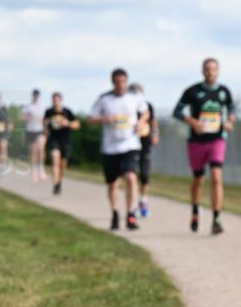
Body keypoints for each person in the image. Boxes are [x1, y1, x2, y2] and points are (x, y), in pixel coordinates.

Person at [172, 57, 235, 235]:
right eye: (207, 69)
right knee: (198, 180)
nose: (210, 72)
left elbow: (232, 109)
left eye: (214, 69)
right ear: (202, 71)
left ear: (218, 71)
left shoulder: (224, 91)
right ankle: (195, 210)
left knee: (216, 177)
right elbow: (177, 111)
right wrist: (192, 122)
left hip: (217, 139)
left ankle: (217, 218)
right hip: (197, 141)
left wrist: (230, 121)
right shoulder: (192, 91)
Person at [88, 68, 148, 230]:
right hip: (110, 147)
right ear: (113, 82)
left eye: (123, 82)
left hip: (130, 144)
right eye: (118, 82)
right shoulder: (104, 99)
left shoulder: (135, 97)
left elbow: (146, 112)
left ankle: (130, 215)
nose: (121, 85)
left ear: (127, 82)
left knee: (131, 177)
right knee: (113, 184)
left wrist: (141, 122)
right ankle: (115, 213)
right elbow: (90, 118)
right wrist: (104, 118)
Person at [129, 83, 159, 217]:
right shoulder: (127, 106)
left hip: (145, 142)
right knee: (132, 174)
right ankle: (133, 204)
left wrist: (155, 134)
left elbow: (153, 122)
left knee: (145, 174)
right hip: (130, 143)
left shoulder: (148, 106)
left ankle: (143, 200)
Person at [43, 92, 79, 195]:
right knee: (55, 159)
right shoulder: (49, 112)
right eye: (54, 99)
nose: (55, 101)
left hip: (65, 140)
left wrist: (68, 123)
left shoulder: (67, 112)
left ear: (61, 100)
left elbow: (77, 125)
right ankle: (55, 184)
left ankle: (59, 181)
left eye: (57, 99)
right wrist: (45, 127)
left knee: (63, 165)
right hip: (53, 139)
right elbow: (44, 124)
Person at [21, 89, 47, 183]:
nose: (36, 97)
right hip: (31, 130)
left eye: (37, 95)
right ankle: (33, 171)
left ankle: (41, 169)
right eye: (34, 95)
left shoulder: (43, 106)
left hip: (40, 130)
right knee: (33, 152)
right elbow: (22, 118)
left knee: (41, 149)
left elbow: (46, 119)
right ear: (32, 95)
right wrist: (28, 117)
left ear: (39, 96)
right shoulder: (28, 106)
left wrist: (45, 125)